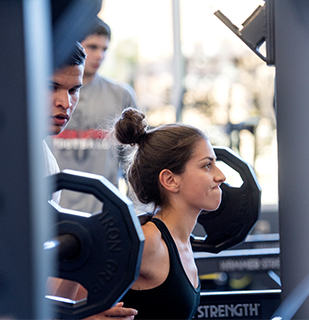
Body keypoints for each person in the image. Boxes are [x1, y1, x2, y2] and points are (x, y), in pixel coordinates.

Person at [45, 42, 137, 320]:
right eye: (52, 88)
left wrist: (80, 311)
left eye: (74, 90)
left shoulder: (42, 155)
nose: (65, 102)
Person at [112, 108, 226, 319]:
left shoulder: (180, 241)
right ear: (170, 180)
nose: (221, 176)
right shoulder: (149, 241)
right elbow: (66, 293)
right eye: (207, 165)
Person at [50, 18, 138, 213]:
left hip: (103, 213)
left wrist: (135, 213)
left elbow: (133, 161)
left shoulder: (121, 95)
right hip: (56, 210)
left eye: (104, 49)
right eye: (92, 47)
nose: (100, 55)